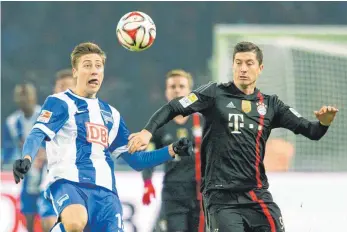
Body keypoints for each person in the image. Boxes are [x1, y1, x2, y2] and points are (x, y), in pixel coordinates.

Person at [127, 41, 338, 232]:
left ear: (260, 68)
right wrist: (147, 131)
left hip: (257, 195)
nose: (243, 68)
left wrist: (324, 122)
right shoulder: (214, 94)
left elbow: (312, 132)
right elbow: (174, 106)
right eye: (238, 63)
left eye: (249, 63)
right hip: (220, 198)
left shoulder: (272, 105)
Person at [12, 42, 193, 232]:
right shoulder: (60, 102)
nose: (94, 71)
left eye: (98, 66)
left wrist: (172, 150)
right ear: (75, 71)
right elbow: (37, 132)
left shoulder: (112, 115)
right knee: (74, 223)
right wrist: (26, 158)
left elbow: (137, 160)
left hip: (106, 193)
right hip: (68, 182)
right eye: (87, 65)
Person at [141, 69, 204, 232]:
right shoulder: (159, 125)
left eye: (182, 86)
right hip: (173, 193)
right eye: (172, 86)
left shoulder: (203, 121)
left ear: (190, 92)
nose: (177, 90)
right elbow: (148, 156)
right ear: (166, 92)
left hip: (200, 193)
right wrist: (147, 182)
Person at [37, 69, 76, 232]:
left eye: (67, 87)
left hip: (74, 185)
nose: (62, 91)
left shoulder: (85, 117)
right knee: (48, 225)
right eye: (59, 87)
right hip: (48, 183)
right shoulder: (46, 116)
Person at [3, 83, 45, 232]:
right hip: (28, 175)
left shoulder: (45, 115)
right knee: (28, 215)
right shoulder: (12, 122)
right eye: (21, 96)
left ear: (34, 97)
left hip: (48, 172)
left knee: (49, 216)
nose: (24, 100)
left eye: (27, 96)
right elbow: (8, 148)